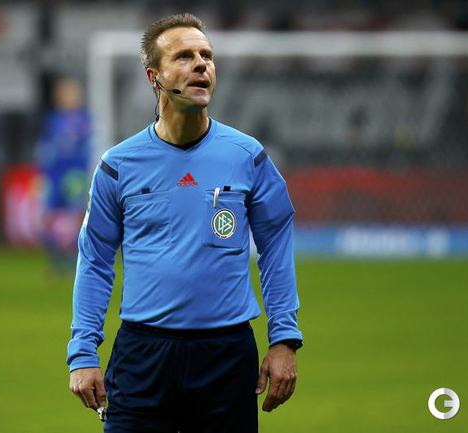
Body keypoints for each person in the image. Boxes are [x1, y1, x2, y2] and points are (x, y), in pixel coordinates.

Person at [67, 13, 303, 432]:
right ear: (154, 77)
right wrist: (83, 351)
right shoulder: (118, 166)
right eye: (184, 57)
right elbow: (95, 261)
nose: (201, 65)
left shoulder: (247, 157)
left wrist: (284, 339)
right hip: (143, 355)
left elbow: (275, 246)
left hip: (226, 355)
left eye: (206, 56)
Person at [35, 78, 92, 273]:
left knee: (77, 216)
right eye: (68, 93)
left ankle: (73, 259)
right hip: (53, 175)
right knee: (47, 216)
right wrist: (42, 172)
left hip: (74, 175)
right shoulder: (52, 119)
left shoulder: (85, 119)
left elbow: (88, 146)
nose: (73, 98)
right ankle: (54, 258)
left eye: (75, 94)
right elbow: (45, 147)